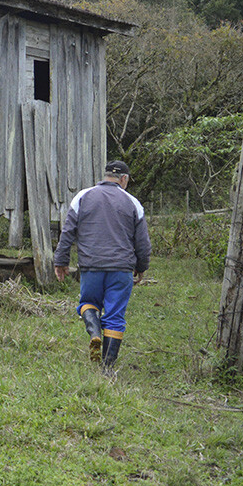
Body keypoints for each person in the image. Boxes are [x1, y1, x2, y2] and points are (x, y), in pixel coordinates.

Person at [53, 160, 151, 373]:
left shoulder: (83, 196)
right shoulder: (133, 202)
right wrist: (141, 267)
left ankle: (95, 331)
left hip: (91, 266)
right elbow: (142, 242)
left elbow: (68, 232)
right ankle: (107, 368)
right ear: (124, 179)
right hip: (122, 269)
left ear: (105, 176)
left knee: (88, 303)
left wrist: (61, 261)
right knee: (115, 316)